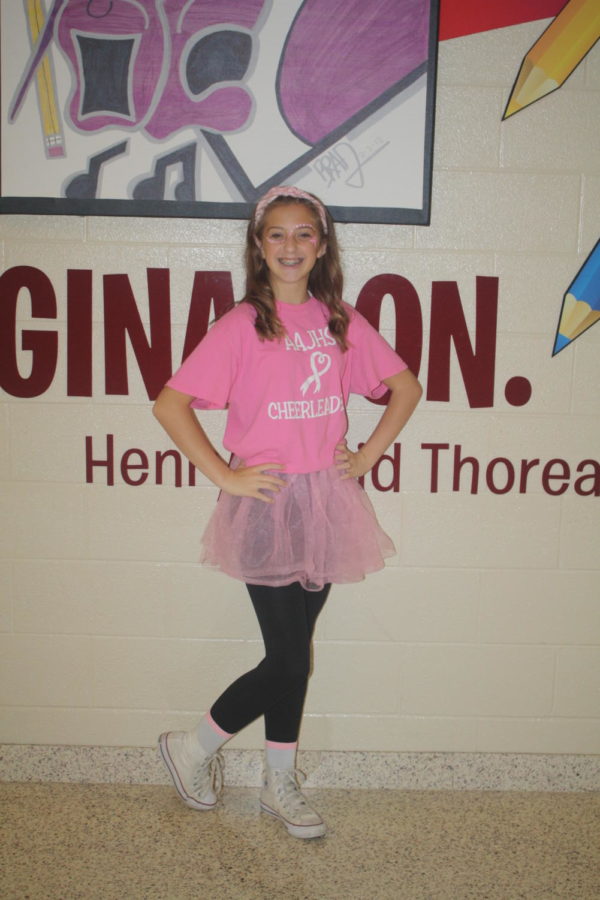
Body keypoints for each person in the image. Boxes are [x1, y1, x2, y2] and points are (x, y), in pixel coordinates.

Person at [153, 185, 422, 839]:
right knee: (287, 659)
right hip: (269, 505)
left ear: (322, 245)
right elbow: (170, 404)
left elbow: (405, 387)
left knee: (294, 654)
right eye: (276, 233)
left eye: (304, 233)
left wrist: (366, 455)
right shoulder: (242, 324)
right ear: (258, 245)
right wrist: (225, 474)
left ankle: (277, 781)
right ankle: (193, 749)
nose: (291, 245)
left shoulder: (340, 320)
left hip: (328, 503)